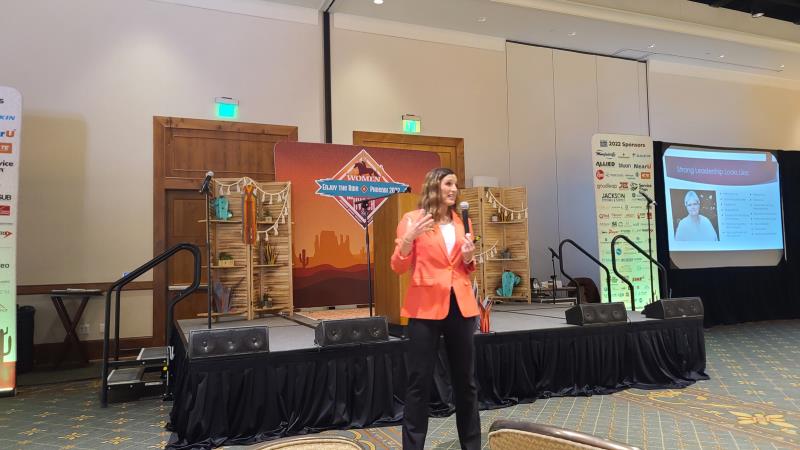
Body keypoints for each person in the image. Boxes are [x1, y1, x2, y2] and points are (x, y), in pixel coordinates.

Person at [390, 167, 481, 450]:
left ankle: (472, 446)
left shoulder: (463, 222)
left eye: (456, 184)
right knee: (418, 383)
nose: (454, 189)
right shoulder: (412, 220)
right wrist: (408, 239)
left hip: (460, 306)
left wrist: (470, 258)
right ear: (434, 186)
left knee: (466, 383)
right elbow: (398, 266)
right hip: (425, 307)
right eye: (448, 183)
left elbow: (465, 267)